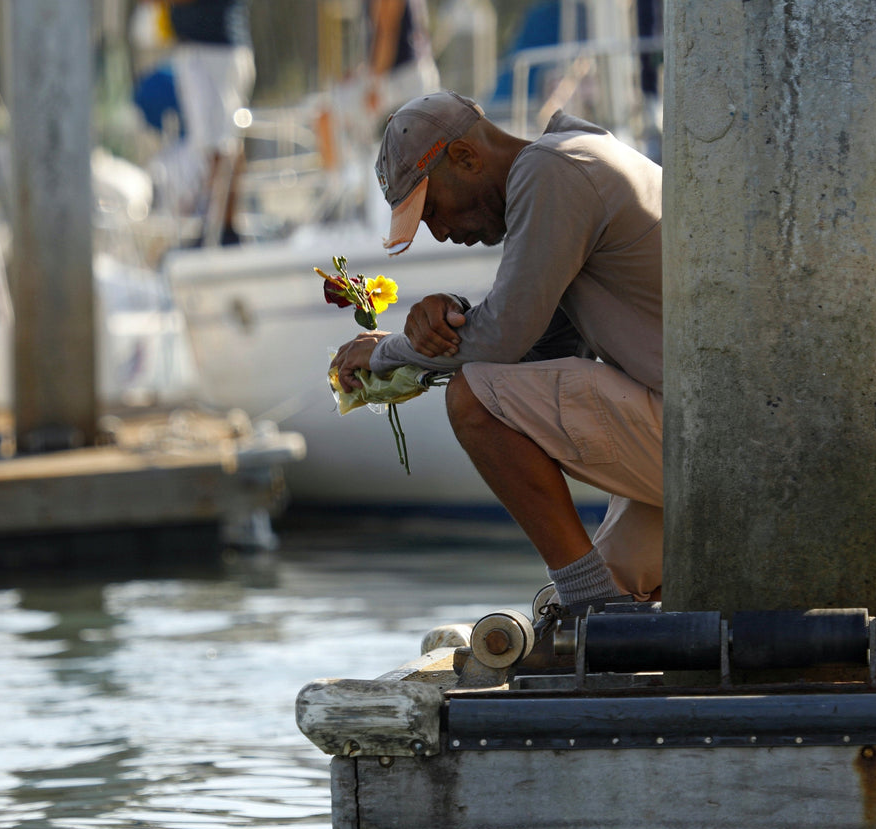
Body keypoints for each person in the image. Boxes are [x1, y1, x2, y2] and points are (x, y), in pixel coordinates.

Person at [331, 91, 665, 610]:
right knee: (616, 590)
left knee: (473, 400)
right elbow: (529, 351)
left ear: (466, 157)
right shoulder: (576, 156)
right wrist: (452, 318)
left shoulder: (549, 168)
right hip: (709, 430)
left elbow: (504, 341)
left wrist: (387, 354)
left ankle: (590, 608)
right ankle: (599, 607)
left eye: (434, 210)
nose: (440, 234)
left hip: (707, 439)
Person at [165, 0, 254, 246]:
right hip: (202, 49)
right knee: (215, 142)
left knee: (221, 143)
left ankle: (223, 228)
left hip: (217, 50)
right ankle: (220, 226)